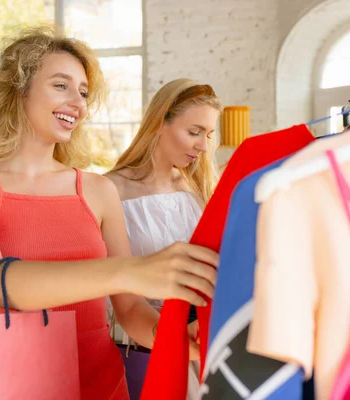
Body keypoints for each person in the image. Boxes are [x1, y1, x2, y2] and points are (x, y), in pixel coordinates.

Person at [0, 27, 219, 400]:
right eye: (61, 86)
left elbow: (131, 310)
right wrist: (131, 271)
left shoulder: (97, 190)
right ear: (19, 90)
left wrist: (176, 339)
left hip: (101, 385)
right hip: (12, 385)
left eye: (84, 92)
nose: (78, 102)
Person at [105, 78, 223, 399]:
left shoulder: (199, 191)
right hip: (144, 348)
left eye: (209, 135)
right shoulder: (110, 191)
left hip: (203, 346)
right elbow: (122, 300)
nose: (203, 145)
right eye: (194, 131)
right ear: (160, 123)